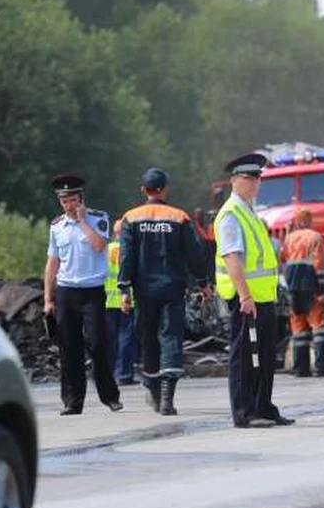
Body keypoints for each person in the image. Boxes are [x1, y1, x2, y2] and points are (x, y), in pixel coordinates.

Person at [118, 167, 210, 416]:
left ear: (143, 190)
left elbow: (126, 257)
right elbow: (194, 254)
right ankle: (168, 399)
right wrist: (203, 282)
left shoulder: (130, 218)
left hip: (144, 291)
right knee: (170, 338)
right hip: (172, 289)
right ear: (165, 188)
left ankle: (156, 394)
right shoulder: (178, 217)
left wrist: (124, 289)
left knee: (148, 340)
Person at [213, 153, 293, 428]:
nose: (255, 183)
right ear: (234, 180)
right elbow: (232, 257)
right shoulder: (231, 215)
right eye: (249, 178)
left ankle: (264, 406)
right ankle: (245, 412)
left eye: (258, 178)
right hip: (246, 299)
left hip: (263, 298)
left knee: (265, 357)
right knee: (245, 357)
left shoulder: (250, 212)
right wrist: (245, 296)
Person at [43, 174, 122, 416]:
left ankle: (109, 396)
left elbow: (99, 245)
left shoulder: (99, 219)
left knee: (98, 344)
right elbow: (52, 263)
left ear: (82, 199)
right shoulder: (56, 226)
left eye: (74, 200)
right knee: (69, 348)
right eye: (65, 201)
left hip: (92, 292)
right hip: (67, 291)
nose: (70, 205)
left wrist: (81, 221)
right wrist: (48, 298)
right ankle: (72, 401)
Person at [280, 209, 324, 377]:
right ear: (309, 221)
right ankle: (322, 367)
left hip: (292, 289)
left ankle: (301, 369)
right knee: (319, 327)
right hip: (311, 287)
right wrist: (323, 290)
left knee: (298, 328)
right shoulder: (315, 237)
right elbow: (320, 265)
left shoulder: (289, 239)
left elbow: (282, 259)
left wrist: (288, 233)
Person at [105, 220, 138, 386]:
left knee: (109, 340)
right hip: (127, 300)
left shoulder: (105, 250)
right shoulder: (130, 249)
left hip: (107, 301)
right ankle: (124, 375)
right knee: (126, 338)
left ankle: (108, 375)